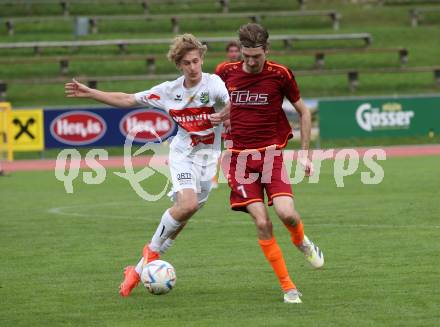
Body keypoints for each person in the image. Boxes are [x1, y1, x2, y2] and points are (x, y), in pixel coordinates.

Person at [65, 34, 230, 297]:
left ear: (202, 60)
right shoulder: (169, 91)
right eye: (187, 63)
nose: (193, 67)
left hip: (208, 160)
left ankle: (137, 271)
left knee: (182, 216)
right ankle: (151, 252)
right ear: (179, 65)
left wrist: (226, 115)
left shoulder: (214, 85)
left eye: (196, 61)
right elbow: (128, 99)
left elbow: (232, 105)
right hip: (183, 154)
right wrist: (91, 92)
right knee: (186, 206)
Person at [212, 23, 324, 304]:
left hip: (271, 156)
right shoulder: (224, 72)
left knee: (288, 214)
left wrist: (306, 154)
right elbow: (211, 102)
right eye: (246, 56)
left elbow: (304, 112)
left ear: (267, 51)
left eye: (256, 57)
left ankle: (301, 241)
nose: (250, 62)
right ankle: (289, 288)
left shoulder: (280, 74)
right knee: (262, 222)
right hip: (239, 160)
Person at [211, 41, 241, 188]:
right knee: (218, 146)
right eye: (231, 51)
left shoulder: (245, 68)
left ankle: (239, 176)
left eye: (236, 51)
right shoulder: (222, 69)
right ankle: (213, 178)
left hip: (241, 113)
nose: (234, 54)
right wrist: (226, 115)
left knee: (239, 146)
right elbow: (216, 90)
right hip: (225, 113)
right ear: (228, 53)